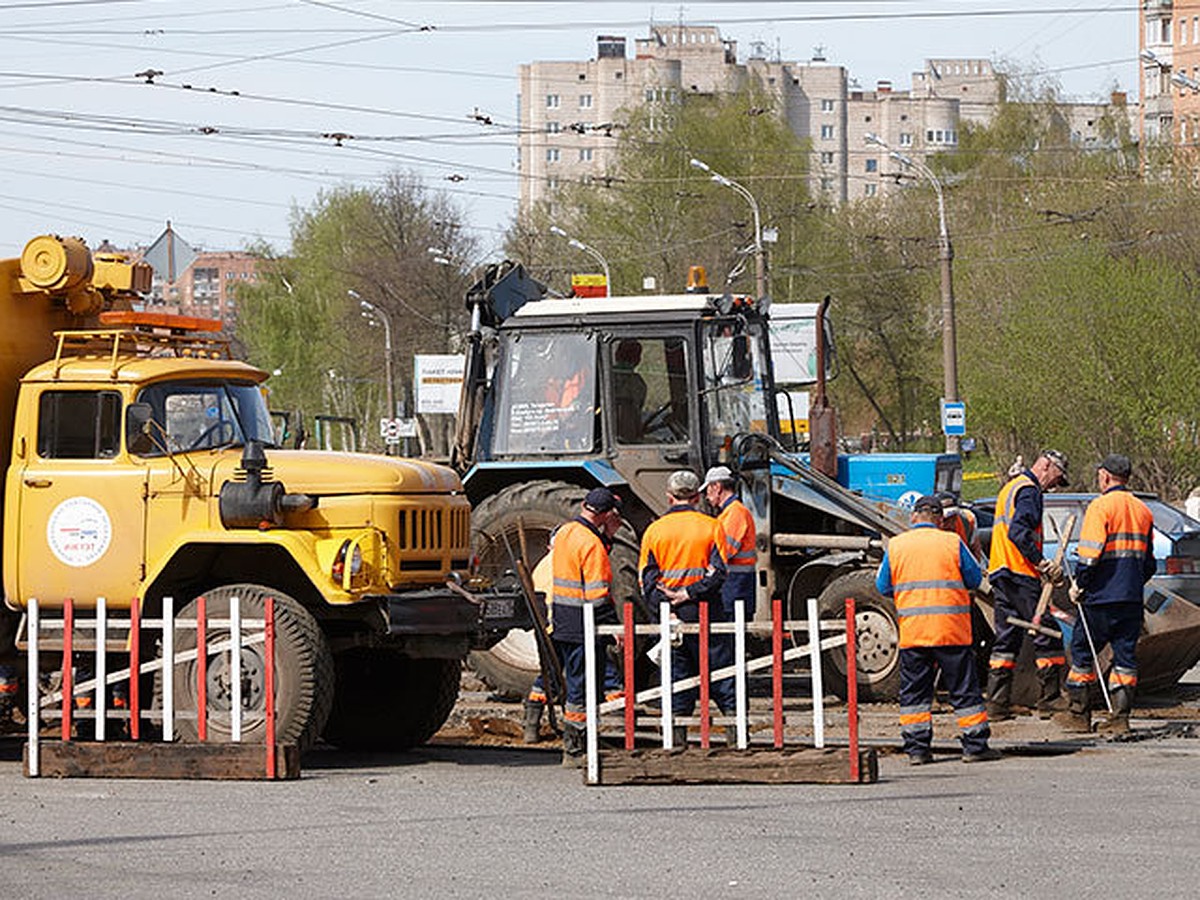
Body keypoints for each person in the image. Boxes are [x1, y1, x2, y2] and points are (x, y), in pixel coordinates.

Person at [876, 495, 999, 764]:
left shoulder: (897, 546)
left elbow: (883, 587)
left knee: (915, 694)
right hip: (951, 631)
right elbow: (975, 578)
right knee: (964, 690)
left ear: (914, 516)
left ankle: (917, 750)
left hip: (914, 633)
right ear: (940, 520)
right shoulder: (952, 542)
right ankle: (975, 746)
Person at [1057, 454, 1156, 735]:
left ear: (1105, 476)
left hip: (1100, 597)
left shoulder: (1100, 507)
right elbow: (1148, 562)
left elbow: (1089, 555)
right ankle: (1120, 718)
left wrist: (1080, 584)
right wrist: (1133, 583)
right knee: (1125, 657)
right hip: (1131, 598)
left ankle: (1079, 715)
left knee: (1082, 653)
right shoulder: (1143, 511)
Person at [639, 470, 733, 747]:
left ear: (669, 497)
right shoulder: (712, 526)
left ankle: (677, 743)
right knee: (722, 675)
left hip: (672, 618)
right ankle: (736, 738)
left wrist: (666, 605)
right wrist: (689, 592)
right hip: (706, 611)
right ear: (696, 496)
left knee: (677, 678)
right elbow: (718, 574)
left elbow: (647, 580)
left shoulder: (654, 531)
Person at [534, 486, 624, 767]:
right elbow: (598, 595)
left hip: (561, 618)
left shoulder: (565, 533)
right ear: (607, 514)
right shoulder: (592, 545)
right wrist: (614, 628)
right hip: (583, 623)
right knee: (581, 688)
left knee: (572, 682)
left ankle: (578, 743)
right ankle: (574, 749)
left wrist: (606, 534)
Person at [986, 449, 1070, 720]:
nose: (1055, 487)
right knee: (1046, 628)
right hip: (1019, 571)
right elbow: (1019, 532)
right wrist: (1041, 563)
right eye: (1056, 479)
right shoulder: (1029, 491)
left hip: (1001, 570)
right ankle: (1051, 699)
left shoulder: (1012, 487)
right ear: (1045, 466)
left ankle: (997, 703)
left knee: (1007, 635)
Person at [612, 339, 647, 443]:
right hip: (628, 437)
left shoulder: (603, 378)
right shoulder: (637, 383)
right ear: (637, 360)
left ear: (616, 355)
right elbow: (637, 409)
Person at [937, 491, 984, 563]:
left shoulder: (967, 519)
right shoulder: (929, 531)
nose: (949, 523)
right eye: (945, 519)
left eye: (953, 517)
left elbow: (975, 550)